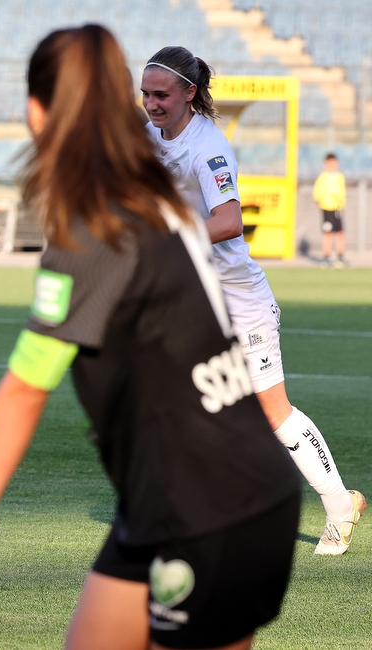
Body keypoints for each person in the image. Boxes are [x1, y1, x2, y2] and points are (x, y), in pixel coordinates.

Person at [0, 25, 301, 650]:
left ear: (38, 110)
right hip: (200, 494)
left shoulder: (97, 230)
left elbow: (22, 391)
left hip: (208, 505)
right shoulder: (147, 199)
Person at [141, 45, 365, 555]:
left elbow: (229, 222)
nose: (150, 105)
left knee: (272, 413)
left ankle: (338, 506)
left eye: (161, 95)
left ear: (189, 93)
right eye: (145, 94)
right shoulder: (147, 134)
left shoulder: (209, 148)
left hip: (240, 302)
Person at [313, 152, 347, 267]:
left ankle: (340, 257)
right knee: (328, 233)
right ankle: (326, 256)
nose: (333, 166)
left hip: (338, 209)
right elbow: (317, 192)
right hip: (327, 208)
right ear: (325, 164)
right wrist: (320, 201)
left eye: (334, 163)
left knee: (340, 233)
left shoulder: (340, 177)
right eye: (330, 163)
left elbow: (341, 192)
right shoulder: (323, 177)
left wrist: (341, 203)